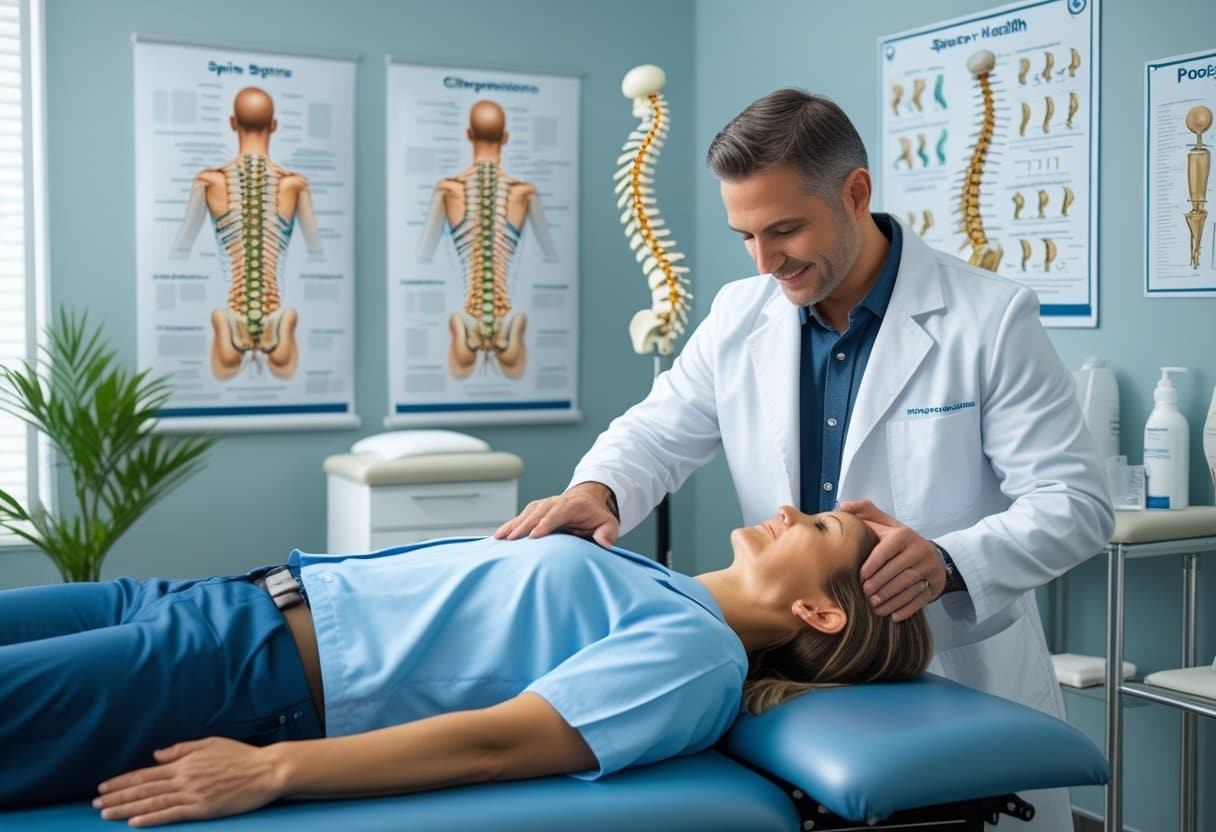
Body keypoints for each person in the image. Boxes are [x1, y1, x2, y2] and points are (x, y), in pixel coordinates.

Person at [496, 88, 1115, 832]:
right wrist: (599, 490)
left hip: (952, 671)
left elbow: (1076, 504)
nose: (765, 261)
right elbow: (659, 430)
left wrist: (948, 563)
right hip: (801, 678)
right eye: (745, 235)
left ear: (855, 193)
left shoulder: (988, 318)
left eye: (785, 229)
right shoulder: (740, 313)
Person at [0, 506, 929, 826]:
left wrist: (270, 771)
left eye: (816, 527)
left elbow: (498, 744)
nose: (787, 509)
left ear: (818, 608)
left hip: (238, 670)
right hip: (213, 599)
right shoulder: (654, 576)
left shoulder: (697, 661)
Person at [171, 86, 324, 381]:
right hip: (274, 311)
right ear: (274, 126)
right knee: (284, 367)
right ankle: (283, 324)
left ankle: (223, 323)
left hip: (234, 312)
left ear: (232, 123)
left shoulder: (209, 181)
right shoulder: (294, 184)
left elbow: (183, 243)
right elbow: (316, 248)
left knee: (225, 367)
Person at [416, 99, 558, 380]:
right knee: (514, 368)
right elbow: (550, 252)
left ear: (469, 134)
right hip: (504, 312)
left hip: (470, 310)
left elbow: (425, 252)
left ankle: (462, 328)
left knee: (461, 368)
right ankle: (510, 331)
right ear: (505, 138)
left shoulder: (448, 189)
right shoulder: (524, 192)